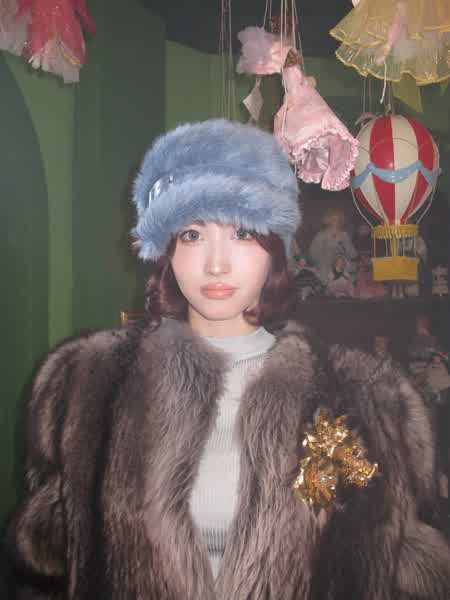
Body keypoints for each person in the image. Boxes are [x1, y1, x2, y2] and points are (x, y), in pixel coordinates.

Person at [7, 119, 450, 599]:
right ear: (166, 251)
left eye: (242, 232)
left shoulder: (365, 398)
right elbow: (47, 561)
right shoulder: (88, 387)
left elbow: (401, 569)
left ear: (275, 249)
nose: (216, 264)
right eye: (192, 235)